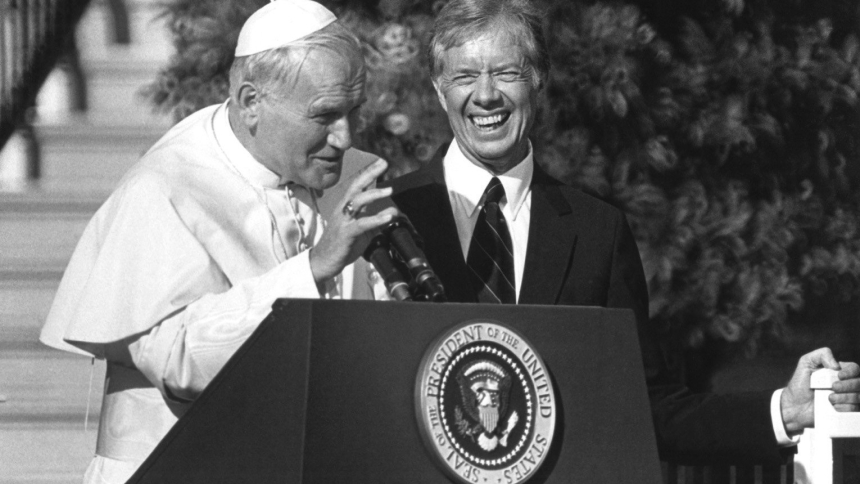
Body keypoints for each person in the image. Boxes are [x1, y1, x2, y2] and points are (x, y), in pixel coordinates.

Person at [378, 0, 860, 465]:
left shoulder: (596, 232)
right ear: (440, 89)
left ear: (539, 79)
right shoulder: (388, 217)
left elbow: (648, 407)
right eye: (465, 75)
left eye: (506, 72)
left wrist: (784, 411)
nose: (485, 95)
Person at [38, 1, 396, 482]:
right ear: (251, 103)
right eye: (325, 115)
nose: (344, 136)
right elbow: (176, 359)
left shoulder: (352, 174)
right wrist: (313, 268)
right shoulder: (166, 187)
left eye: (354, 111)